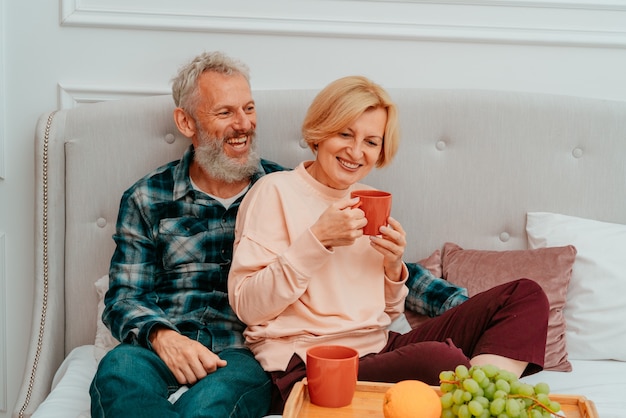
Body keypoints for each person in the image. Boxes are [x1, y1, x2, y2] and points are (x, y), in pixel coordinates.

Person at [227, 75, 550, 413]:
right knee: (439, 361)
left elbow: (386, 314)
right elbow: (249, 306)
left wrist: (393, 268)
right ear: (320, 132)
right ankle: (475, 399)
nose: (356, 152)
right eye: (345, 134)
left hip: (378, 349)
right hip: (309, 366)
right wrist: (317, 240)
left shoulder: (368, 199)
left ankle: (482, 402)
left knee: (525, 296)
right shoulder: (274, 191)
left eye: (371, 141)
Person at [89, 51, 286, 418]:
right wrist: (165, 338)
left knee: (211, 405)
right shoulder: (147, 197)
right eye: (225, 112)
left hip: (240, 353)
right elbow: (125, 296)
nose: (243, 124)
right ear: (186, 121)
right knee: (118, 374)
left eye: (248, 108)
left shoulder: (285, 190)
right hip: (160, 345)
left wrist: (403, 272)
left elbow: (357, 255)